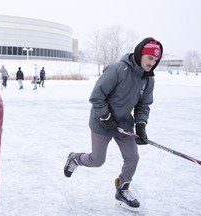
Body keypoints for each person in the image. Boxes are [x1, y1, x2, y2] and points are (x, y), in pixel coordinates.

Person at [63, 37, 163, 212]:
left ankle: (122, 189)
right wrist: (106, 117)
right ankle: (75, 158)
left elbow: (143, 105)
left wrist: (140, 124)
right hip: (101, 122)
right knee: (97, 160)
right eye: (149, 58)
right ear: (140, 54)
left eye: (155, 60)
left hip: (124, 125)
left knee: (133, 157)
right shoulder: (117, 69)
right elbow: (96, 96)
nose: (152, 63)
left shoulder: (148, 80)